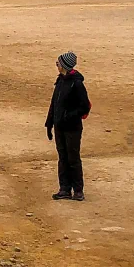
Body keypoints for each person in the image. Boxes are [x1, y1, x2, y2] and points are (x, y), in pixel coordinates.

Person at [44, 52, 90, 201]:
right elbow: (54, 104)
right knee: (62, 157)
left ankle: (78, 191)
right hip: (59, 126)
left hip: (72, 128)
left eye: (58, 63)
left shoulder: (76, 84)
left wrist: (68, 116)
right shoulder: (60, 81)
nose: (56, 65)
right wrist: (49, 124)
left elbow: (84, 107)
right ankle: (64, 189)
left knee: (73, 158)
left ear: (64, 65)